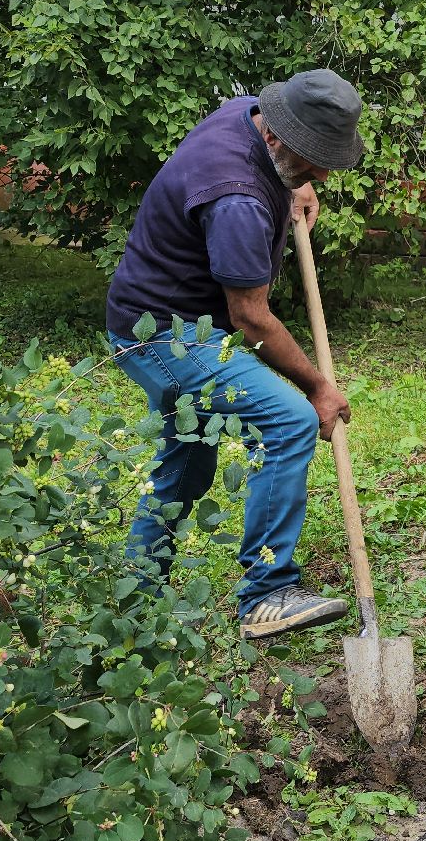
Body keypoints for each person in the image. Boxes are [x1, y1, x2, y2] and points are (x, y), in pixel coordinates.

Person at [106, 69, 362, 639]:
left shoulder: (252, 114)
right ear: (277, 137)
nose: (321, 171)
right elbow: (250, 318)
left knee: (188, 457)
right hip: (165, 337)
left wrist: (294, 182)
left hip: (153, 320)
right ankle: (266, 593)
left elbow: (279, 164)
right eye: (313, 159)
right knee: (289, 420)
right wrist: (317, 386)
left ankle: (134, 591)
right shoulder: (237, 197)